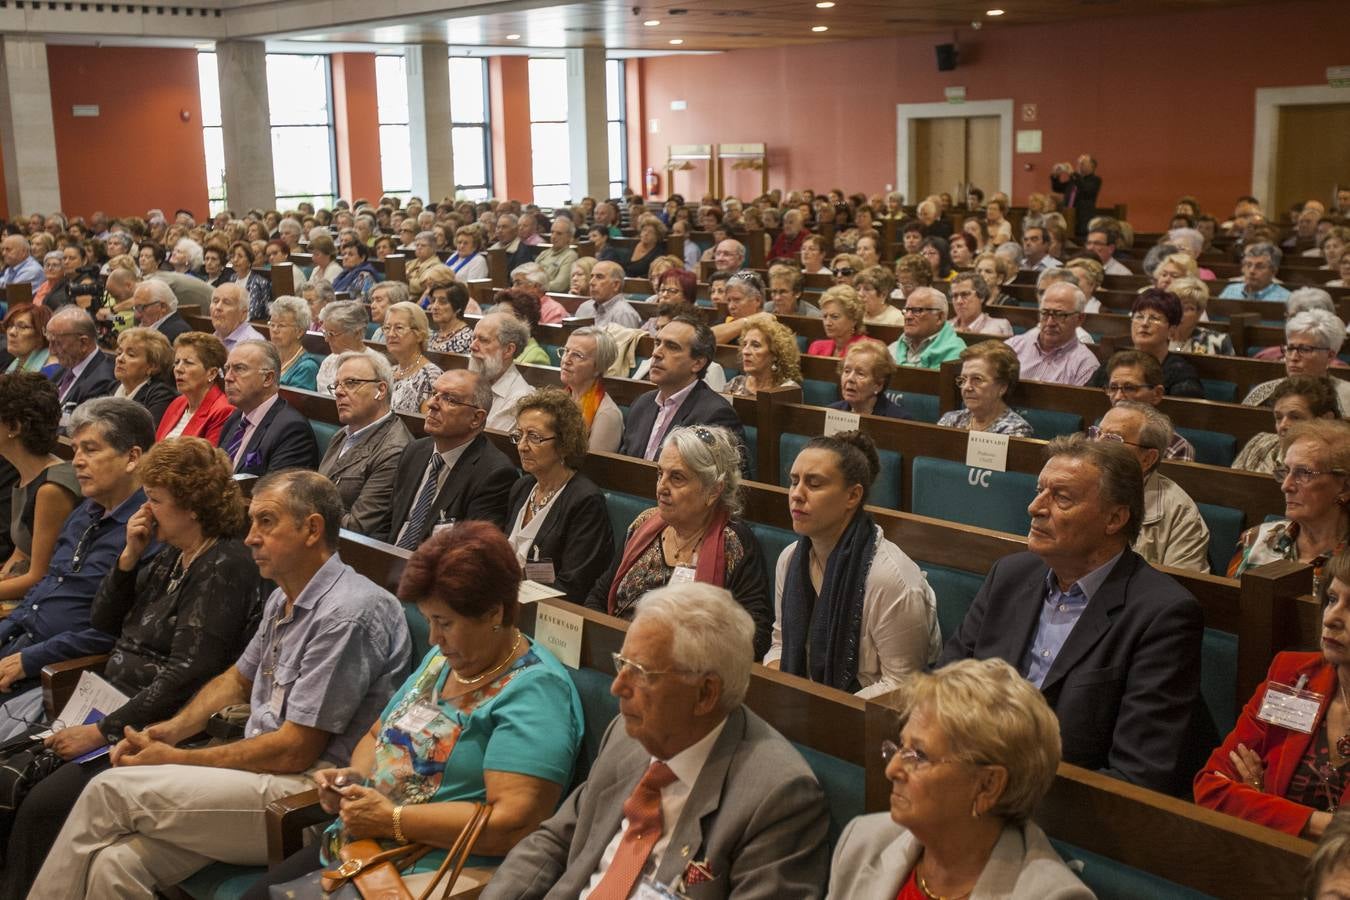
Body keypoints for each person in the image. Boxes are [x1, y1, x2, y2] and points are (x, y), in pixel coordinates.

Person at [28, 470, 412, 898]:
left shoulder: (349, 613)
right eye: (250, 522)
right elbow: (236, 679)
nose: (250, 537)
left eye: (266, 522)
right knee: (114, 865)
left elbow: (294, 750)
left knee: (108, 792)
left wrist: (175, 759)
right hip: (257, 776)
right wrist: (165, 731)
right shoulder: (284, 594)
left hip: (306, 797)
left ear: (312, 529)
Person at [242, 521, 584, 898]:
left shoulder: (536, 691)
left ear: (494, 614)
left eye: (445, 623)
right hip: (364, 847)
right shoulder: (446, 660)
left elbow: (513, 824)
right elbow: (377, 734)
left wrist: (393, 820)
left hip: (434, 870)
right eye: (429, 621)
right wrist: (354, 781)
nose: (434, 639)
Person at [0, 436, 266, 898]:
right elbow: (105, 621)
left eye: (156, 501)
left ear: (193, 507)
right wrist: (128, 556)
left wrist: (102, 732)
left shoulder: (224, 564)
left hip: (150, 724)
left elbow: (187, 672)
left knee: (42, 803)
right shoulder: (170, 552)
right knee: (9, 769)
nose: (146, 510)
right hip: (104, 700)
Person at [484, 582, 830, 900]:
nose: (617, 688)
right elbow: (555, 841)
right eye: (622, 664)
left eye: (641, 673)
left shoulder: (777, 797)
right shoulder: (626, 735)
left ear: (705, 694)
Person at [941, 435, 1206, 795]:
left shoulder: (1163, 615)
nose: (1035, 506)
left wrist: (1002, 787)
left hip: (1071, 808)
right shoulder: (1010, 575)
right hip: (971, 776)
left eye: (1061, 497)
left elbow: (1138, 776)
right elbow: (945, 683)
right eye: (1040, 491)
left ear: (1115, 518)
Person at [828, 658, 1091, 899]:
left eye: (918, 755)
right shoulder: (864, 841)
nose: (892, 769)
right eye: (900, 747)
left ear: (988, 786)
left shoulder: (1050, 896)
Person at [0, 398, 152, 734]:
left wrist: (29, 659)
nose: (78, 461)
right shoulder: (86, 511)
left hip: (60, 673)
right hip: (21, 646)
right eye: (77, 449)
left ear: (132, 457)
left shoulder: (146, 531)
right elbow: (43, 591)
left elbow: (113, 632)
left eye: (90, 450)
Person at [768, 431, 940, 696]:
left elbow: (903, 686)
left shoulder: (891, 578)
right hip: (807, 703)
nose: (796, 495)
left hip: (863, 717)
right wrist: (780, 691)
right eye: (794, 481)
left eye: (813, 484)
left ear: (852, 496)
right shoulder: (789, 559)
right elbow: (780, 642)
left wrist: (823, 710)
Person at [1196, 550, 1350, 839]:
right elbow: (1210, 788)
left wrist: (1260, 800)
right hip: (1267, 863)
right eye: (1331, 599)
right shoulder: (1293, 675)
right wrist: (1319, 824)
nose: (1331, 618)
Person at [589, 425, 771, 656]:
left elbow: (755, 635)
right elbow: (599, 594)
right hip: (619, 652)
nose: (661, 487)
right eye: (659, 473)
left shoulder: (733, 543)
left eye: (677, 478)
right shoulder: (644, 523)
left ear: (713, 491)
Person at [505, 389, 614, 604]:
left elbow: (573, 586)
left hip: (548, 612)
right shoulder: (523, 487)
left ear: (564, 444)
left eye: (534, 437)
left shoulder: (585, 501)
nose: (522, 446)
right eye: (519, 435)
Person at [387, 369, 516, 548]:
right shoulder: (415, 451)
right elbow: (386, 524)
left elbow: (471, 553)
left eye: (449, 399)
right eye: (433, 394)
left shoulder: (494, 474)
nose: (432, 404)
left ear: (476, 419)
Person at [1228, 420, 1350, 595]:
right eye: (1285, 471)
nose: (1286, 486)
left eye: (1304, 473)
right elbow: (1228, 615)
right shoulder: (1253, 541)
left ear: (1345, 487)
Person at [618, 315, 748, 475]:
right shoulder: (642, 403)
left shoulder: (716, 416)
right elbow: (622, 468)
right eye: (657, 343)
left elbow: (727, 484)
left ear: (697, 363)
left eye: (672, 347)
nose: (656, 353)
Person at [1094, 403, 1210, 572]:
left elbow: (1179, 588)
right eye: (1097, 434)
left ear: (1147, 459)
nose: (1096, 445)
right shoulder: (1070, 485)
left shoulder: (1180, 513)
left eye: (1112, 439)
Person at [0, 374, 80, 610]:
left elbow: (39, 576)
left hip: (47, 605)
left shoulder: (51, 489)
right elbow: (20, 555)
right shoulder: (26, 473)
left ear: (14, 427)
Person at [317, 351, 413, 538]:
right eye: (336, 385)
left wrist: (308, 508)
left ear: (381, 390)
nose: (338, 392)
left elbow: (358, 528)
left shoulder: (394, 450)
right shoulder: (343, 434)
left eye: (351, 383)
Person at [216, 340, 321, 476]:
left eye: (239, 369)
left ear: (268, 378)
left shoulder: (292, 430)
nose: (228, 378)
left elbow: (274, 493)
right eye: (227, 369)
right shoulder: (236, 418)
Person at [1242, 310, 1350, 414]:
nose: (1293, 357)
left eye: (1305, 349)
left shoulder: (1346, 397)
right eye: (1290, 348)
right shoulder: (1263, 392)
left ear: (1330, 356)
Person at [1233, 376, 1340, 475]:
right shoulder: (1258, 443)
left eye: (1295, 417)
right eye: (1279, 418)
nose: (1283, 425)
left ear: (1325, 420)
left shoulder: (1336, 466)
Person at [1005, 282, 1099, 386]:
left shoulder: (1085, 366)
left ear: (1080, 319)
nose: (1050, 323)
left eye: (1059, 315)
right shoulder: (1014, 346)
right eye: (1044, 313)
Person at [938, 341, 1034, 436]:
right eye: (963, 379)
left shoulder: (1015, 429)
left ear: (1002, 387)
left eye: (977, 379)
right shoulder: (951, 420)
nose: (966, 387)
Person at [156, 332, 235, 444]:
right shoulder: (177, 403)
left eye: (188, 363)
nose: (178, 369)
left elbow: (207, 459)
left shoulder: (222, 411)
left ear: (212, 373)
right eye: (177, 362)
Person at [559, 326, 623, 453]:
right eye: (566, 351)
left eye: (577, 355)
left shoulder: (607, 415)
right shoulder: (561, 397)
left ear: (598, 367)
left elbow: (592, 468)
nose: (566, 360)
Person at [44, 306, 118, 412]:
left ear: (83, 343)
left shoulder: (103, 381)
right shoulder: (67, 365)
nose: (52, 351)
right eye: (49, 342)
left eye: (57, 343)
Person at [470, 311, 533, 431]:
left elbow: (486, 439)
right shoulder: (470, 382)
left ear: (508, 350)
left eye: (483, 340)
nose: (472, 346)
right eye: (473, 338)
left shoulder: (519, 399)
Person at [384, 300, 444, 414]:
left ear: (420, 335)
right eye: (387, 328)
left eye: (399, 328)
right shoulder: (389, 372)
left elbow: (425, 427)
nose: (390, 334)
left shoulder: (430, 376)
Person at [829, 339, 911, 419]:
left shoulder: (898, 421)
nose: (850, 378)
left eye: (860, 374)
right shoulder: (831, 412)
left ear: (879, 385)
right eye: (847, 371)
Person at [112, 326, 178, 424]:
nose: (120, 359)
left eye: (131, 355)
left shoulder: (160, 396)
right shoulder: (114, 387)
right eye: (120, 352)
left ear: (152, 366)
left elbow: (146, 436)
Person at [724, 313, 801, 397]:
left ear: (775, 354)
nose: (745, 351)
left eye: (755, 345)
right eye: (745, 344)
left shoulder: (788, 391)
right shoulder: (735, 384)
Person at [889, 286, 966, 369]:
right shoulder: (894, 348)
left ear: (939, 317)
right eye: (907, 310)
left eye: (917, 310)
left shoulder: (955, 353)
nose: (908, 316)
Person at [313, 300, 375, 396]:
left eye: (331, 334)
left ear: (357, 333)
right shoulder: (329, 362)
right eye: (325, 333)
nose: (326, 339)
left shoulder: (375, 365)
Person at [264, 295, 321, 392]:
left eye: (281, 325)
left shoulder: (307, 368)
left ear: (299, 332)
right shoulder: (267, 357)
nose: (274, 330)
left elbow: (293, 404)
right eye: (272, 324)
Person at [1168, 275, 1233, 356]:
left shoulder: (1219, 342)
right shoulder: (1157, 337)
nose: (1180, 312)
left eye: (1188, 308)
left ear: (1200, 313)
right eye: (1176, 305)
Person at [808, 285, 871, 358]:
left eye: (835, 317)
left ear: (854, 319)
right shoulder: (816, 348)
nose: (827, 323)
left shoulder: (868, 350)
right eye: (825, 316)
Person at [492, 289, 551, 365]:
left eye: (504, 317)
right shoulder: (497, 346)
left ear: (524, 320)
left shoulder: (536, 357)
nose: (497, 321)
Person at [577, 260, 642, 328]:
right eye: (592, 276)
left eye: (599, 277)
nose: (591, 282)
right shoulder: (584, 307)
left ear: (616, 285)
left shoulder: (624, 314)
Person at [1220, 243, 1291, 301]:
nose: (1251, 271)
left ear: (1273, 271)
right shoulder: (1230, 290)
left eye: (1259, 267)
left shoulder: (1286, 298)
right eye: (1248, 265)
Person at [1053, 154, 1102, 238]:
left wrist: (1072, 174)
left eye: (1082, 163)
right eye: (1078, 163)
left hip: (1082, 218)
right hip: (1068, 215)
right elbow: (1057, 188)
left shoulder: (1095, 180)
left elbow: (1084, 189)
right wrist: (1055, 176)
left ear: (1092, 166)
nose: (1079, 166)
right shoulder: (1074, 180)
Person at [131, 277, 191, 344]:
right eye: (136, 308)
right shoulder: (149, 326)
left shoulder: (175, 334)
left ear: (163, 307)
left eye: (142, 307)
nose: (137, 315)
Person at [209, 281, 265, 350]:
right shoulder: (212, 339)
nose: (218, 307)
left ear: (243, 314)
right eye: (215, 301)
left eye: (226, 303)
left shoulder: (253, 345)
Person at [425, 280, 474, 354]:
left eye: (443, 302)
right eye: (433, 300)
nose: (434, 306)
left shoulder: (466, 337)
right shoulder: (433, 334)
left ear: (458, 307)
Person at [228, 240, 272, 321]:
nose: (235, 260)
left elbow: (254, 313)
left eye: (240, 256)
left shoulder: (259, 282)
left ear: (249, 261)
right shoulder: (232, 278)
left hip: (252, 324)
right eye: (233, 256)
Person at [3, 303, 52, 373]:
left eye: (22, 327)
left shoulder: (49, 369)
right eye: (10, 325)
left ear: (40, 334)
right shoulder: (13, 364)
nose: (12, 332)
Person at [535, 216, 578, 292]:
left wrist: (535, 286)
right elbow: (529, 274)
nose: (553, 237)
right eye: (552, 232)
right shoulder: (544, 253)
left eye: (559, 233)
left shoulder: (570, 256)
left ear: (569, 237)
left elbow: (559, 285)